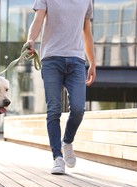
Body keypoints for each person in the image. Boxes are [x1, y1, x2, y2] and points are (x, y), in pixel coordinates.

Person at [26, 0, 96, 175]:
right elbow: (38, 21)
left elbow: (87, 32)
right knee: (54, 109)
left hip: (77, 61)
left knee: (79, 108)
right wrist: (31, 39)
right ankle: (57, 157)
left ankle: (67, 142)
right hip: (51, 59)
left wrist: (93, 63)